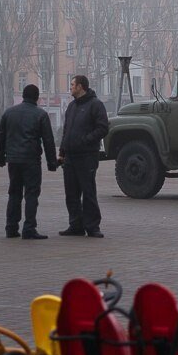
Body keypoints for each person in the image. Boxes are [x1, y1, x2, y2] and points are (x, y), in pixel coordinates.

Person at [0, 84, 58, 240]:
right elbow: (48, 140)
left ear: (23, 96)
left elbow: (0, 137)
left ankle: (11, 227)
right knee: (31, 194)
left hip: (13, 160)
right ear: (37, 97)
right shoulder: (41, 115)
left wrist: (0, 158)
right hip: (31, 160)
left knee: (14, 193)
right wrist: (52, 163)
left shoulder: (9, 113)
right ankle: (29, 228)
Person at [57, 74, 108, 238]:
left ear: (80, 87)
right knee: (71, 193)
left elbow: (102, 128)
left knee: (88, 192)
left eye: (72, 84)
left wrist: (85, 140)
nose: (70, 87)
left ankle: (92, 226)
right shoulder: (72, 106)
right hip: (70, 157)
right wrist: (62, 151)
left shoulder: (96, 105)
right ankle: (76, 225)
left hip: (87, 156)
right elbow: (67, 130)